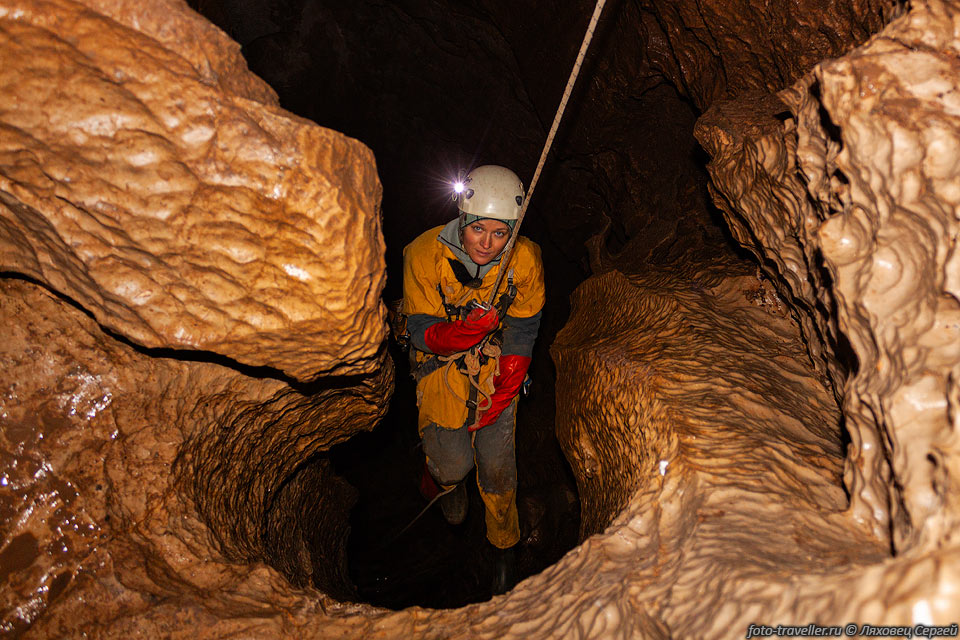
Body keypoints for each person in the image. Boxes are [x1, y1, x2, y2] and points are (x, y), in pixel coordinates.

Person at [401, 164, 544, 593]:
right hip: (440, 368)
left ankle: (503, 548)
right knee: (454, 463)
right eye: (478, 229)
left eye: (500, 233)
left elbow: (524, 326)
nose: (487, 243)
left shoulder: (524, 260)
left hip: (492, 366)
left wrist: (512, 376)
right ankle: (440, 484)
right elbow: (418, 328)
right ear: (462, 221)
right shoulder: (424, 253)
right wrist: (455, 334)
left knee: (499, 470)